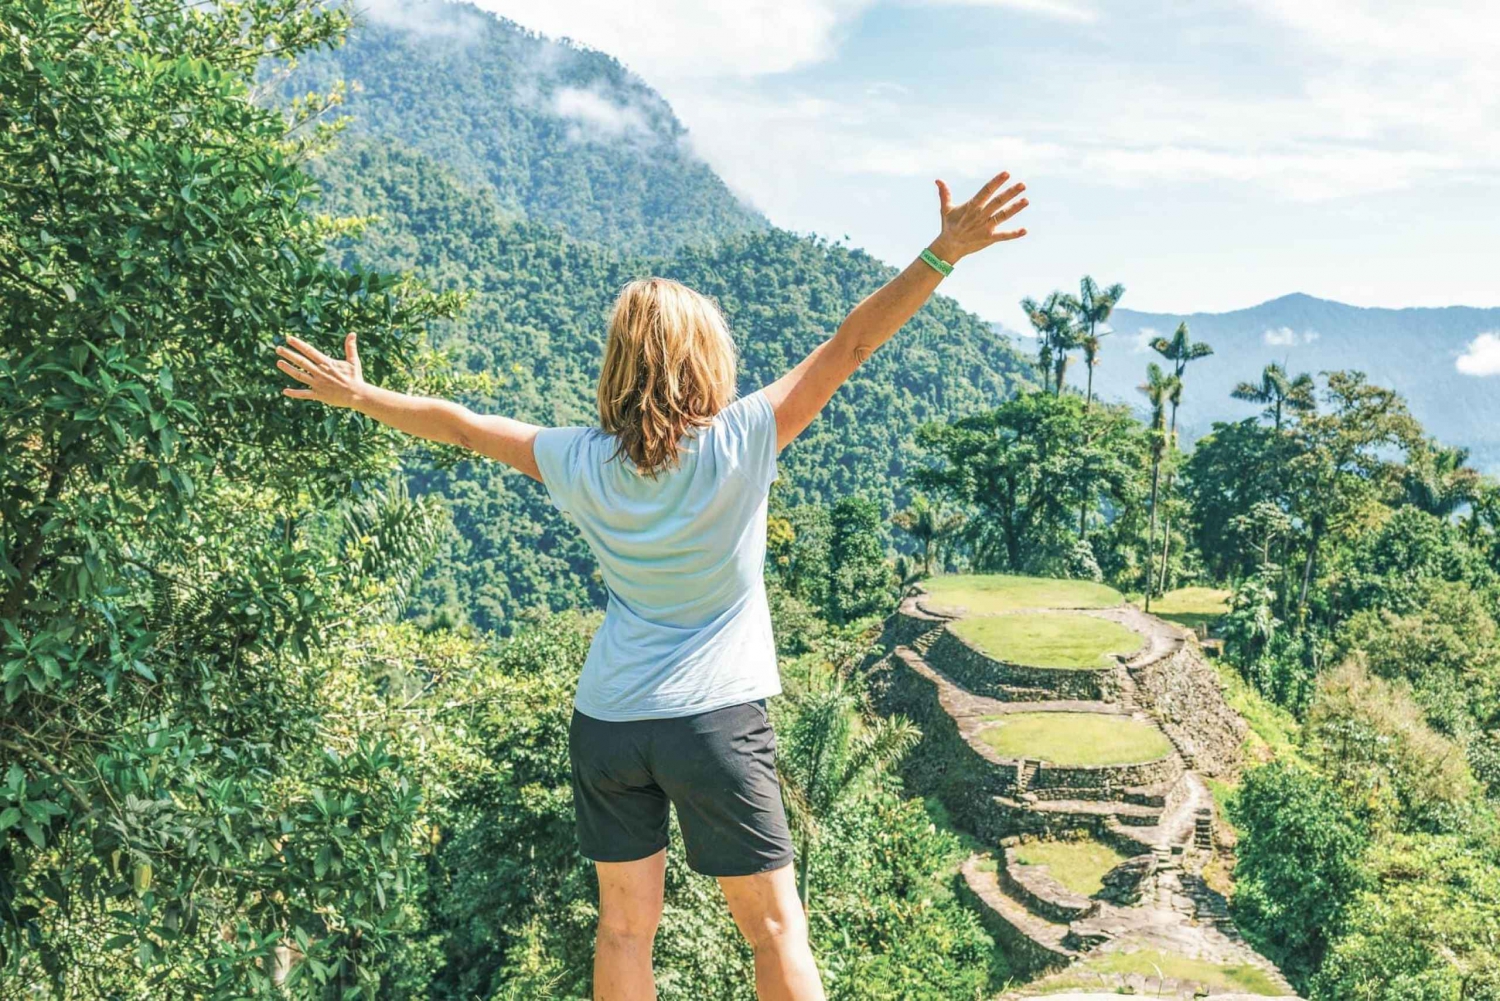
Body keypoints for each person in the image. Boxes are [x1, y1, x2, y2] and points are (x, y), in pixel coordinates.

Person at [274, 170, 1028, 1001]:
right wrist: (942, 253)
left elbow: (458, 424)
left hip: (608, 724)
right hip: (713, 721)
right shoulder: (744, 438)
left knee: (625, 930)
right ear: (709, 357)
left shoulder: (578, 459)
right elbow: (850, 344)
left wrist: (359, 394)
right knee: (774, 927)